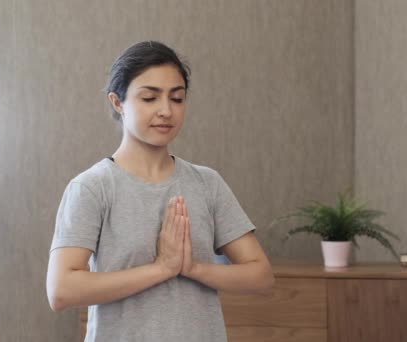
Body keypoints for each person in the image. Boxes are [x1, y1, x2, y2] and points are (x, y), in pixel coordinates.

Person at [46, 41, 274, 342]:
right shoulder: (92, 187)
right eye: (150, 98)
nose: (166, 111)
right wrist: (161, 269)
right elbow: (61, 291)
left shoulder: (207, 183)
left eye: (177, 99)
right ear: (118, 102)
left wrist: (192, 268)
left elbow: (260, 276)